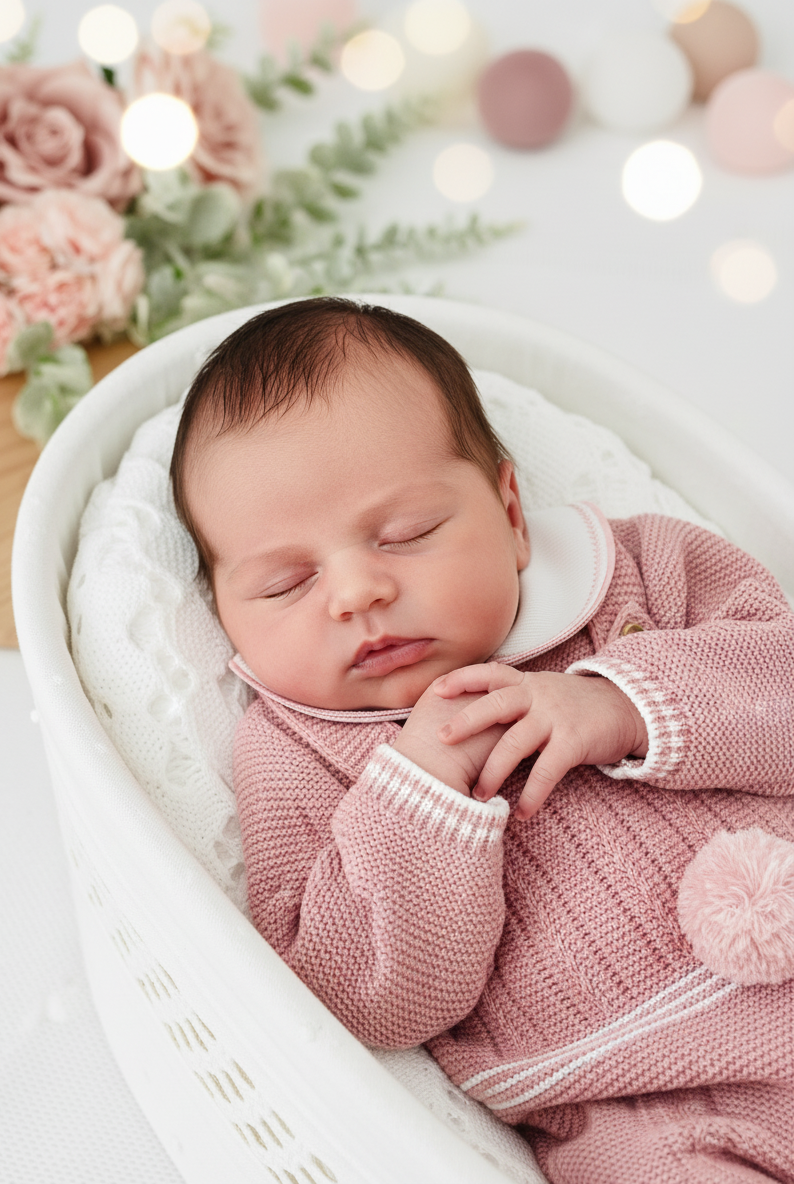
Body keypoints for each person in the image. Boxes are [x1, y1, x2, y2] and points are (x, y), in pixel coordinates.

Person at [170, 297, 794, 1184]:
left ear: (509, 511)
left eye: (407, 534)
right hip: (634, 1104)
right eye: (283, 583)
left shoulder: (642, 572)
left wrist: (620, 702)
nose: (355, 592)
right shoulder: (293, 756)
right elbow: (360, 998)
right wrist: (421, 791)